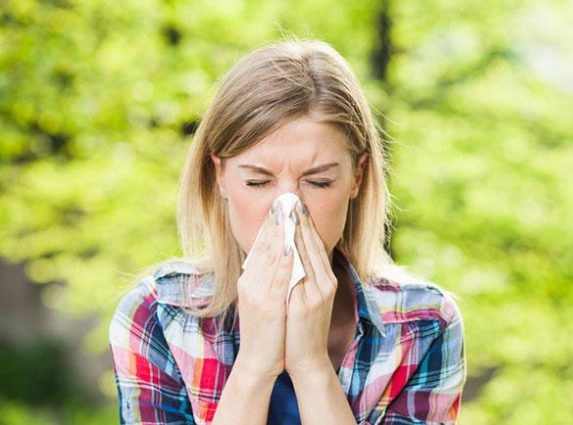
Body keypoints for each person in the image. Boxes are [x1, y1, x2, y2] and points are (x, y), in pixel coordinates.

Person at [108, 38, 467, 425]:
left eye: (318, 182)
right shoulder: (159, 316)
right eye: (259, 182)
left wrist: (311, 366)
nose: (288, 211)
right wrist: (255, 366)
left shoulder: (425, 324)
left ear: (356, 176)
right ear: (221, 177)